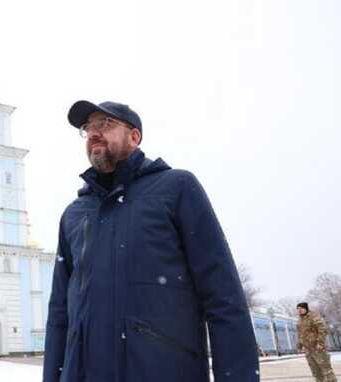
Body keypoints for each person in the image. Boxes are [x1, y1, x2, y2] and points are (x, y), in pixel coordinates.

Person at [43, 100, 259, 382]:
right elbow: (59, 313)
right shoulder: (74, 214)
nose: (94, 132)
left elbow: (223, 297)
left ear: (134, 136)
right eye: (87, 127)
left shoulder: (175, 188)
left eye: (105, 124)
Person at [297, 302, 338, 382]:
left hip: (317, 348)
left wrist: (320, 343)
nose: (299, 310)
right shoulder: (300, 321)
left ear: (306, 308)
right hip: (308, 350)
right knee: (316, 371)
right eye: (298, 309)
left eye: (301, 308)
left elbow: (322, 330)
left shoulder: (314, 317)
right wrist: (300, 345)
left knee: (326, 370)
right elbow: (300, 334)